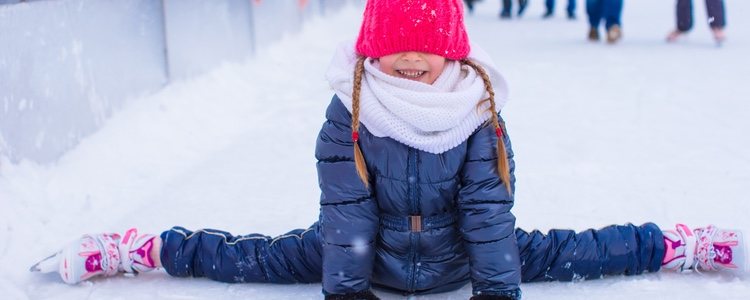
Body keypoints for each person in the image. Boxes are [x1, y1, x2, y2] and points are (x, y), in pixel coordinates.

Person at [30, 0, 745, 299]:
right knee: (245, 256)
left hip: (460, 250)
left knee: (575, 251)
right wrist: (346, 292)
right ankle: (142, 249)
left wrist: (495, 291)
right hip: (358, 257)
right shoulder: (350, 109)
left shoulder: (479, 113)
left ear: (452, 56)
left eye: (425, 49)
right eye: (394, 46)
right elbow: (346, 217)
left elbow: (490, 216)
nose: (409, 60)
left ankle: (671, 244)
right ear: (372, 50)